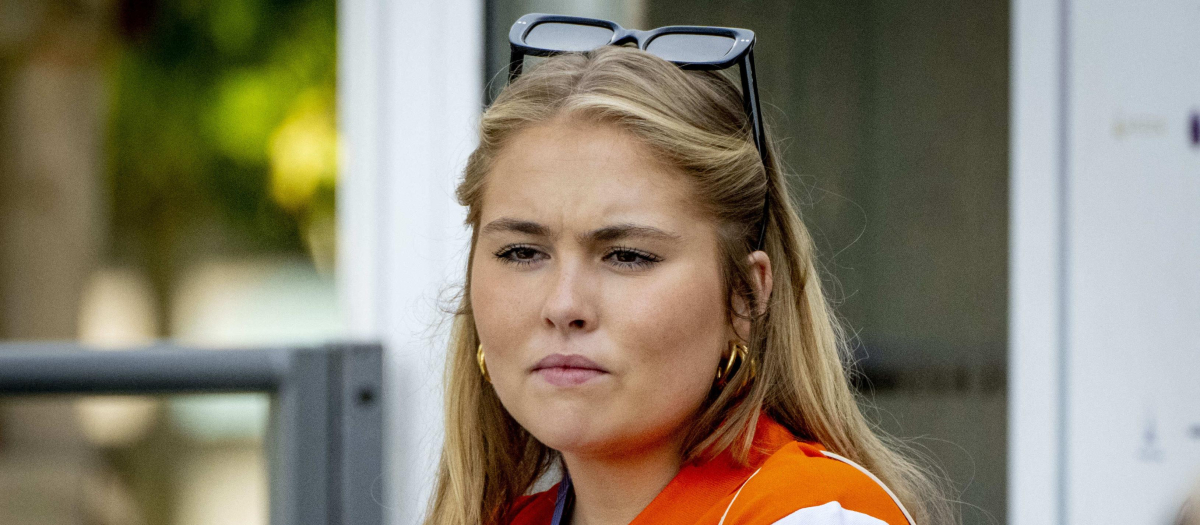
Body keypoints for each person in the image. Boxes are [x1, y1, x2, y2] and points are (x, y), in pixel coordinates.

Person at [422, 41, 953, 525]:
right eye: (521, 252)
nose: (563, 305)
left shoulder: (812, 514)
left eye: (627, 255)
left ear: (744, 295)